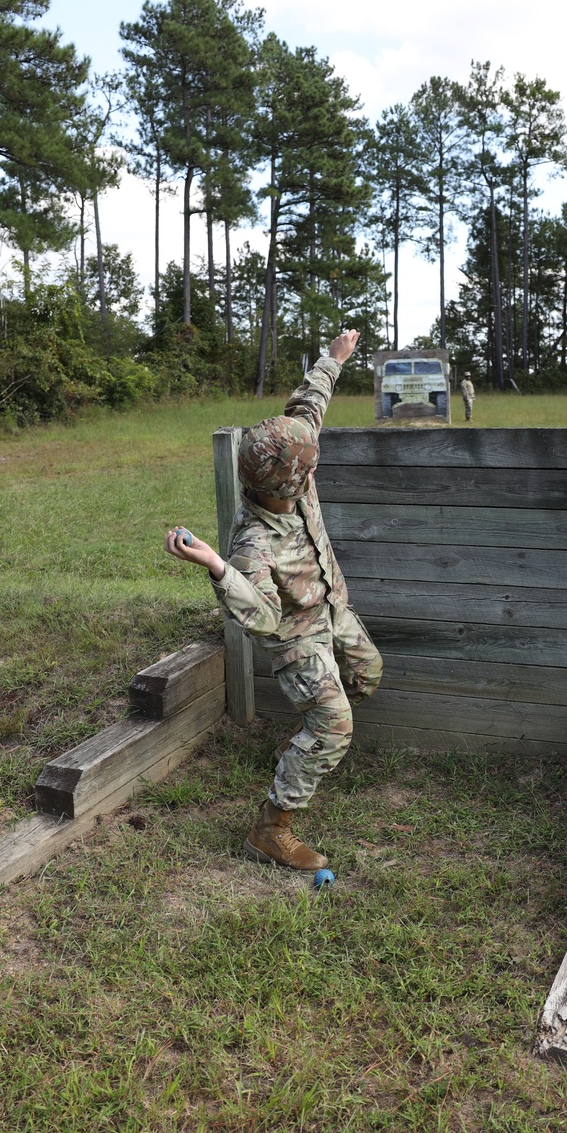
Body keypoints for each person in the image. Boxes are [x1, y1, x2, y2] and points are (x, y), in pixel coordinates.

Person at [164, 329, 382, 872]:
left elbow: (308, 405)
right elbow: (260, 618)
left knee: (368, 674)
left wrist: (334, 357)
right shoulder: (252, 543)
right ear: (280, 484)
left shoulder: (289, 460)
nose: (314, 475)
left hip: (332, 604)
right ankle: (270, 829)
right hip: (295, 634)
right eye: (306, 473)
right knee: (335, 723)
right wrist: (216, 566)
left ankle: (305, 745)